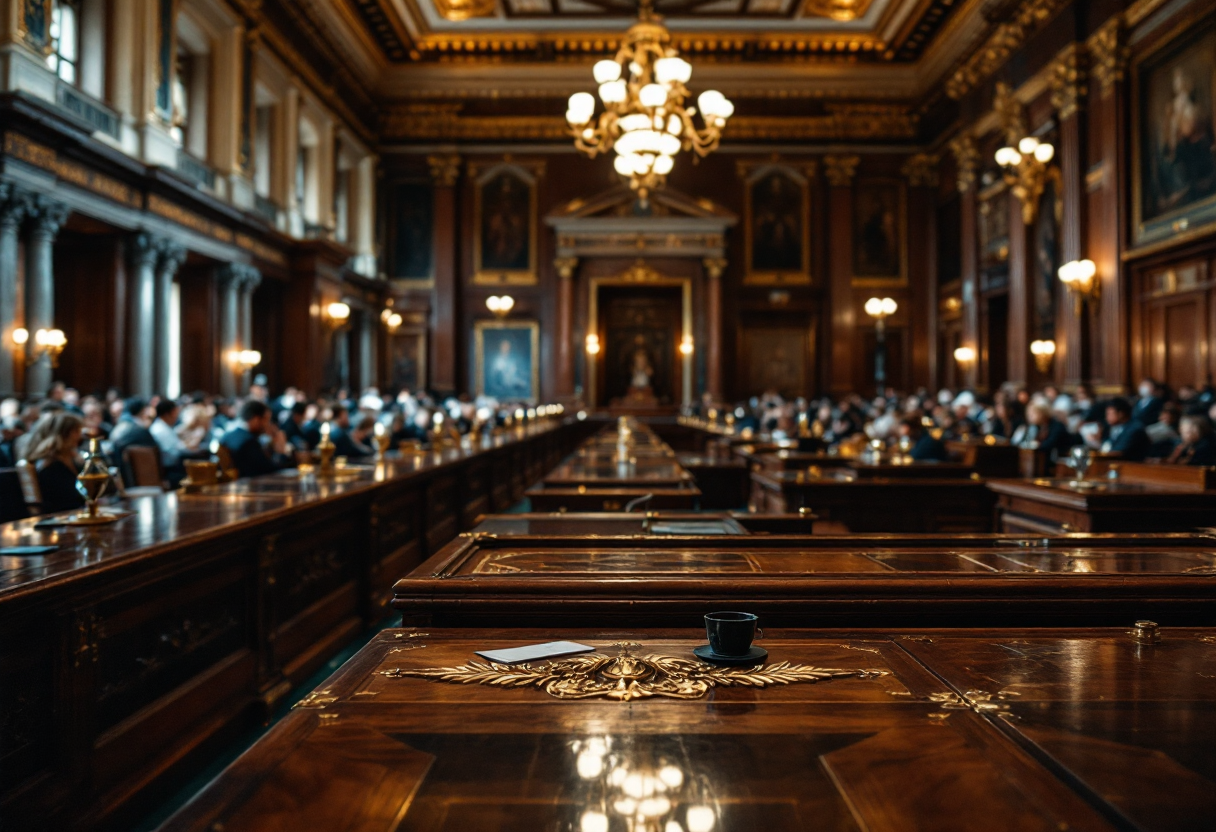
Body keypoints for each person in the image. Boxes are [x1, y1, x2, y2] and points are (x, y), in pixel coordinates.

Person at [24, 411, 86, 514]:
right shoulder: (50, 466)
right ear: (64, 434)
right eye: (76, 431)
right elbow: (65, 500)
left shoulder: (72, 459)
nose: (80, 435)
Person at [220, 400, 294, 479]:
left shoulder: (227, 436)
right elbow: (271, 471)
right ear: (256, 419)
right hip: (249, 484)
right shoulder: (249, 442)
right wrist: (281, 451)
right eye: (266, 420)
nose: (268, 425)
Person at [108, 397, 158, 485]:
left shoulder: (122, 424)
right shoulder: (139, 429)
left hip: (123, 476)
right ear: (143, 411)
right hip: (135, 477)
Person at [1101, 398, 1151, 462]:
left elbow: (1118, 452)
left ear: (1121, 414)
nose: (1107, 417)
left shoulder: (1135, 429)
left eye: (1109, 414)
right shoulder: (1113, 428)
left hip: (1133, 465)